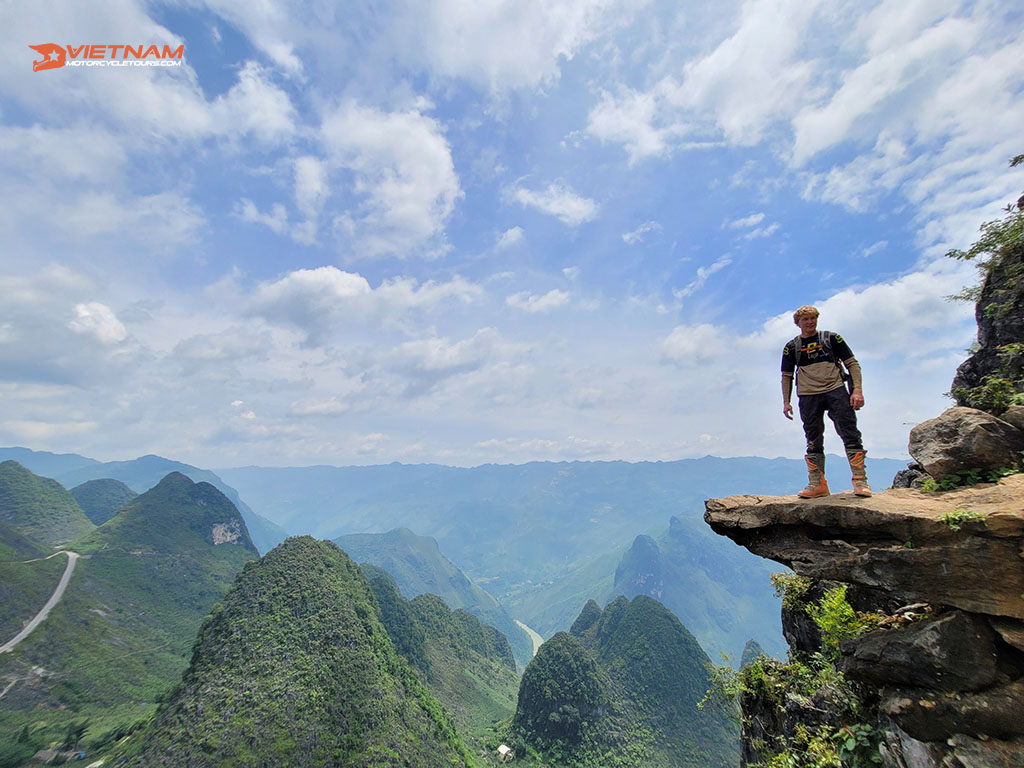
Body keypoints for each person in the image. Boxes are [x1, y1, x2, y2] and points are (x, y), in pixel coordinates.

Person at [781, 305, 871, 498]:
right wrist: (786, 401)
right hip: (807, 394)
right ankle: (817, 484)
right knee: (813, 438)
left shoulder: (831, 338)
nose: (810, 322)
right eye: (805, 319)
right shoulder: (791, 347)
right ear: (798, 323)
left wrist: (857, 390)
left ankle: (860, 481)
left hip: (835, 390)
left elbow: (852, 364)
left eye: (813, 318)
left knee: (849, 431)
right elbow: (786, 375)